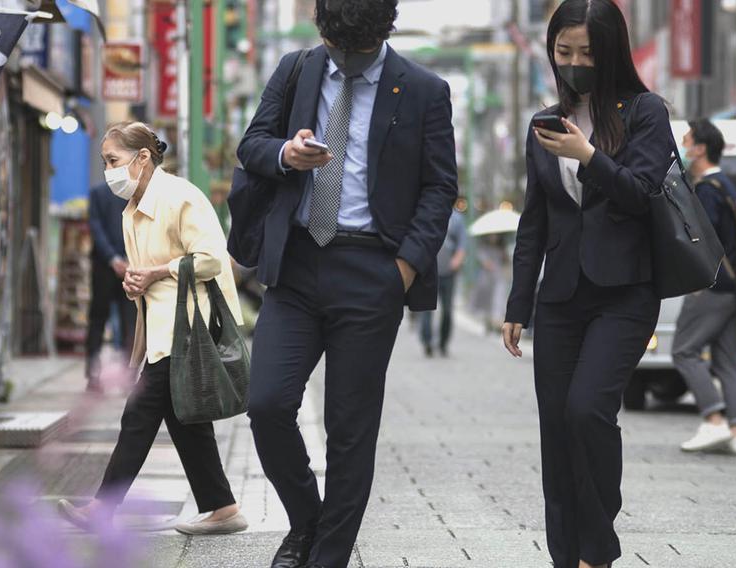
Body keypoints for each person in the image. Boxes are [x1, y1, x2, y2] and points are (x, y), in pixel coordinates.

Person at [237, 0, 457, 565]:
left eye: (355, 54)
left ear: (384, 29)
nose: (344, 61)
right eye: (337, 49)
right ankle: (308, 521)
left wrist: (402, 269)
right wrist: (286, 152)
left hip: (372, 271)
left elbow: (440, 189)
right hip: (298, 263)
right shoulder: (296, 68)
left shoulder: (426, 90)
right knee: (265, 403)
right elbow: (252, 144)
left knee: (350, 429)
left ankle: (327, 557)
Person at [501, 2, 674, 567]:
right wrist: (517, 303)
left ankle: (597, 546)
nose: (574, 63)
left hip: (625, 292)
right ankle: (566, 555)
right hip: (560, 298)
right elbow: (535, 220)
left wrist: (589, 156)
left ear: (612, 53)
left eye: (587, 53)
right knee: (556, 429)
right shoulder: (542, 123)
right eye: (564, 52)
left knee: (587, 412)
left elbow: (644, 194)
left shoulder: (646, 112)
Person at [58, 122, 248, 536]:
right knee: (185, 419)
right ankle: (222, 506)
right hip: (162, 332)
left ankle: (102, 508)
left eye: (113, 160)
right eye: (104, 161)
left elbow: (213, 260)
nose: (108, 170)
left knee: (139, 414)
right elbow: (145, 279)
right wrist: (133, 283)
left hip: (188, 330)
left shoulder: (181, 197)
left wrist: (156, 272)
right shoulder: (132, 211)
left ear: (143, 158)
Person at [673, 119, 736, 455]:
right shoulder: (727, 186)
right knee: (727, 358)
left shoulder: (706, 190)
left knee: (683, 350)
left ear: (700, 149)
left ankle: (713, 420)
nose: (684, 147)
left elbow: (703, 240)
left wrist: (694, 282)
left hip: (713, 286)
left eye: (687, 141)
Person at [85, 181, 136, 393]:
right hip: (108, 266)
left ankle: (128, 376)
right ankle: (94, 374)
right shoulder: (99, 193)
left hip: (126, 265)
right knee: (100, 319)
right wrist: (115, 258)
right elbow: (95, 227)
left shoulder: (135, 193)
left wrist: (122, 259)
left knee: (129, 323)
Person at [419, 207, 466, 357]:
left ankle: (443, 343)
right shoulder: (427, 213)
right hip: (429, 270)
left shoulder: (457, 219)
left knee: (447, 310)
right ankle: (427, 341)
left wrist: (456, 261)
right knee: (426, 309)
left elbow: (461, 245)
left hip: (448, 272)